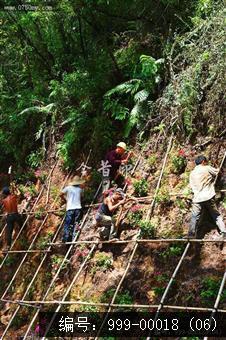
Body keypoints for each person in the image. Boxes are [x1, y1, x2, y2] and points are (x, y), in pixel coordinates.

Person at [188, 155, 226, 239]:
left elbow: (191, 186)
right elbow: (218, 172)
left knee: (194, 216)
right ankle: (224, 232)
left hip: (197, 198)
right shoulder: (207, 168)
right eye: (206, 162)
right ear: (203, 162)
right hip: (208, 196)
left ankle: (191, 234)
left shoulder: (192, 173)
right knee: (216, 215)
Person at [60, 176, 85, 243]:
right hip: (78, 208)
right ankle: (74, 238)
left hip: (70, 208)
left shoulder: (68, 188)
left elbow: (61, 194)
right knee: (76, 223)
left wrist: (66, 199)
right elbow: (82, 197)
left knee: (68, 224)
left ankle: (66, 238)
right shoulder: (80, 189)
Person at [1, 186, 22, 251]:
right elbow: (19, 194)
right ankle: (23, 230)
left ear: (4, 194)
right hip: (16, 214)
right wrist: (16, 188)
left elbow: (6, 210)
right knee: (21, 224)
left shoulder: (4, 201)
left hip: (9, 216)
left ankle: (8, 246)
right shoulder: (13, 197)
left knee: (9, 232)